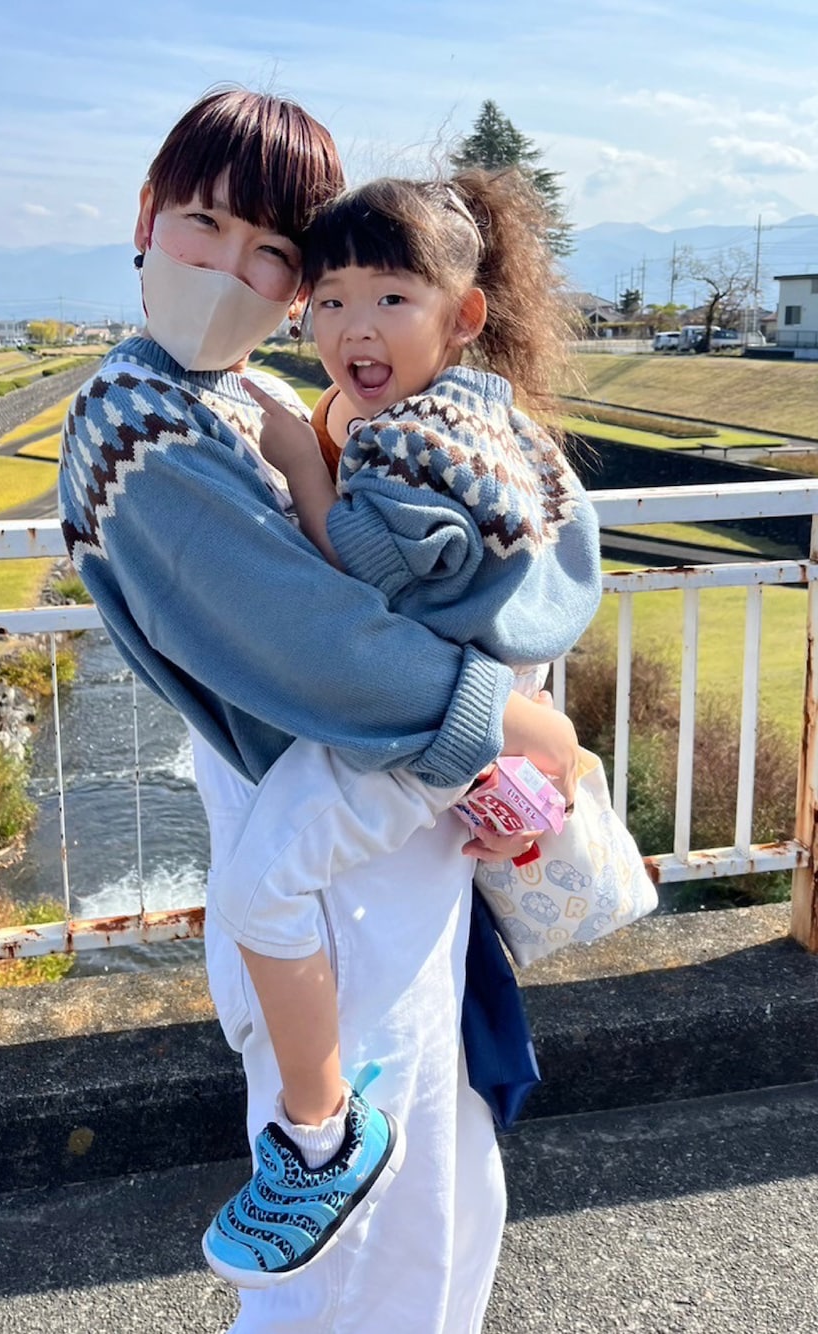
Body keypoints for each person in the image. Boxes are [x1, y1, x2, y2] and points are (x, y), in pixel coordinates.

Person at [59, 87, 586, 1334]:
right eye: (202, 224)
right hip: (334, 859)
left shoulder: (242, 397)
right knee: (360, 1265)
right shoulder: (138, 420)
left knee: (440, 1200)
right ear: (146, 217)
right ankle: (318, 1134)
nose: (228, 269)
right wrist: (519, 725)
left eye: (271, 251)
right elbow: (320, 645)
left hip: (389, 837)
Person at [201, 172, 602, 1287]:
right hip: (438, 725)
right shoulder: (435, 413)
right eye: (329, 301)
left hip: (419, 730)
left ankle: (319, 1138)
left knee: (261, 892)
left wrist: (297, 462)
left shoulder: (429, 437)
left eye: (389, 298)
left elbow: (371, 573)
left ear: (461, 314)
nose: (354, 328)